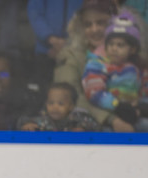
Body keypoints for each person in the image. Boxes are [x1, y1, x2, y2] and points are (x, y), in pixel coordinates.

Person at [54, 0, 131, 130]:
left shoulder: (132, 54)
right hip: (90, 129)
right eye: (87, 25)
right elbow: (68, 96)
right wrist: (111, 119)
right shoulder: (70, 55)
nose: (94, 29)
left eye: (101, 22)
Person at [82, 10, 148, 130]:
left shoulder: (139, 68)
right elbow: (93, 92)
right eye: (111, 44)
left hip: (134, 115)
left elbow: (145, 91)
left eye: (120, 45)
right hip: (109, 116)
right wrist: (116, 105)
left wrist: (140, 108)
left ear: (132, 49)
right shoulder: (97, 64)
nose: (114, 49)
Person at [27, 0, 85, 92]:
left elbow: (85, 16)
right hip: (45, 50)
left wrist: (68, 45)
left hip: (74, 51)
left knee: (71, 91)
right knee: (42, 91)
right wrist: (51, 39)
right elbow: (35, 14)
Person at [17, 81, 100, 130]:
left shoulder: (77, 117)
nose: (55, 107)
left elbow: (95, 125)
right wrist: (27, 125)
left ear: (71, 106)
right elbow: (22, 121)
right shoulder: (43, 119)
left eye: (60, 104)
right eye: (51, 103)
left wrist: (83, 128)